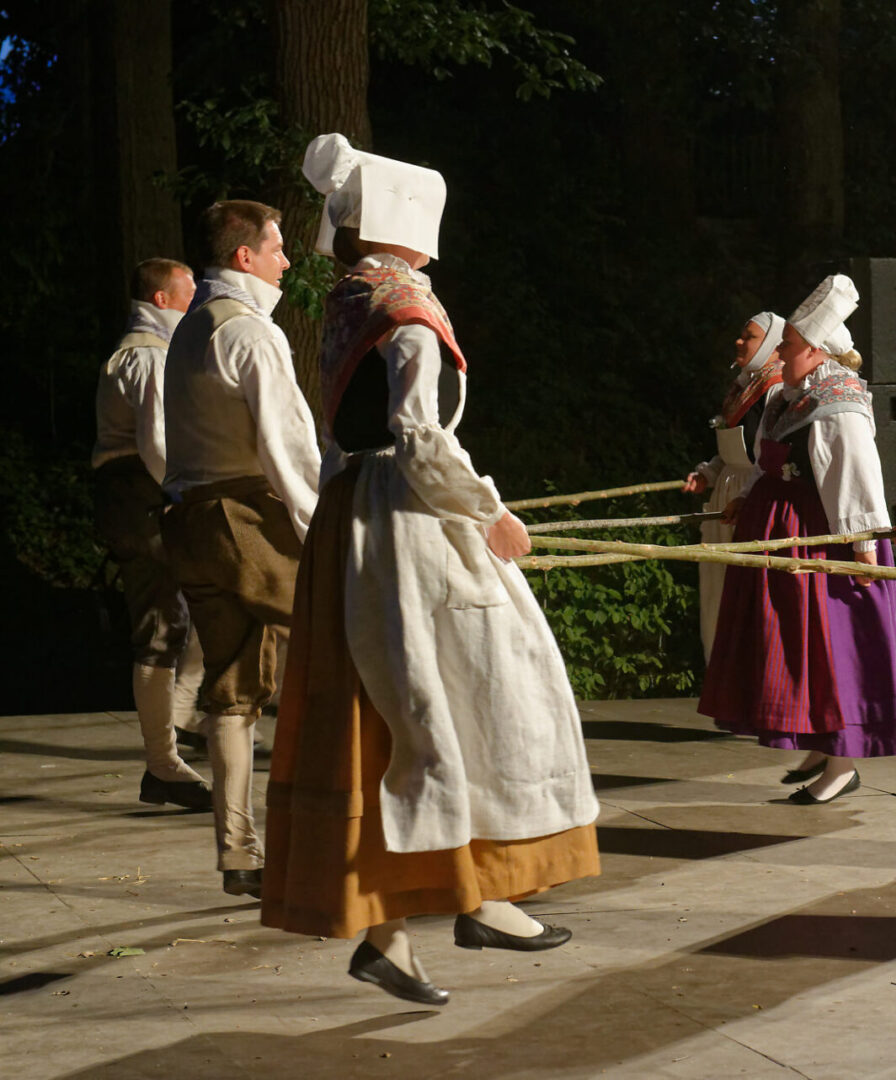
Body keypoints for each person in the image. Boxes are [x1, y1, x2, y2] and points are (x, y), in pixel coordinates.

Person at [261, 135, 601, 1007]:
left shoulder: (348, 301)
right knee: (466, 698)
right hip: (409, 524)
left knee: (403, 722)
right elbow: (419, 436)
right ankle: (467, 903)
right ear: (413, 231)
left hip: (360, 520)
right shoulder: (404, 309)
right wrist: (488, 512)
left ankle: (421, 922)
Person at [161, 200, 323, 898]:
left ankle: (239, 854)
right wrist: (327, 528)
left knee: (231, 691)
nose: (286, 260)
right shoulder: (250, 333)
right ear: (244, 257)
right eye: (277, 247)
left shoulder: (191, 325)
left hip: (189, 521)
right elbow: (288, 450)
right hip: (243, 518)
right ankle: (355, 840)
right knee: (346, 648)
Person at [698, 274, 896, 803]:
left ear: (814, 349)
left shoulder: (836, 398)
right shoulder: (788, 395)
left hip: (825, 539)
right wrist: (751, 500)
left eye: (787, 344)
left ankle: (843, 762)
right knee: (796, 648)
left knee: (830, 648)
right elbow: (774, 461)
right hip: (784, 532)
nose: (780, 352)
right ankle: (818, 746)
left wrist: (861, 553)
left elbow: (854, 475)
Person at [91, 257, 209, 811]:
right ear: (162, 300)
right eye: (187, 296)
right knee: (162, 624)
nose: (195, 305)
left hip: (136, 493)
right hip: (142, 494)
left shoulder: (146, 352)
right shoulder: (148, 356)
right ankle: (164, 762)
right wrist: (185, 497)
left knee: (179, 616)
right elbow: (157, 444)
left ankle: (181, 732)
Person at [683, 314, 785, 662]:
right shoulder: (743, 385)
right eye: (741, 336)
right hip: (727, 492)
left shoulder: (776, 389)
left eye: (750, 337)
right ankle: (721, 678)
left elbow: (769, 451)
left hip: (753, 494)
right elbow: (730, 449)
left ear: (772, 345)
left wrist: (746, 493)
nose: (740, 342)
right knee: (719, 586)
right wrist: (708, 474)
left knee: (747, 588)